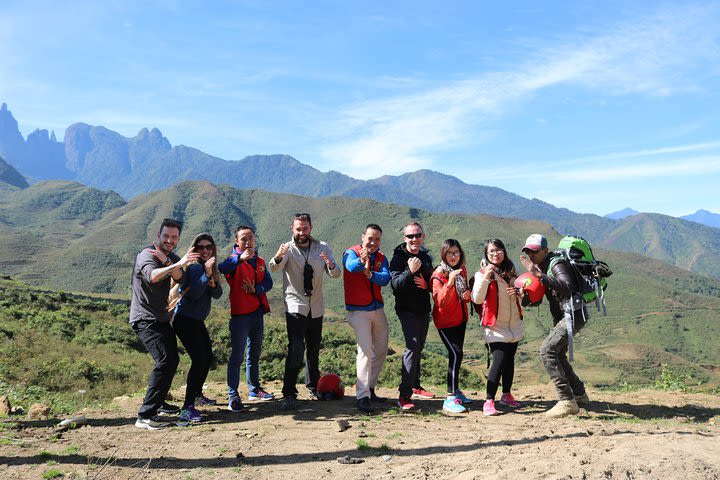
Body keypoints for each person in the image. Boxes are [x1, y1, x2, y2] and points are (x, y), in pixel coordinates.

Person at [129, 218, 200, 429]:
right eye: (166, 236)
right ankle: (145, 416)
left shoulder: (170, 257)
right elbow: (152, 276)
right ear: (158, 236)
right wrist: (177, 264)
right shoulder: (146, 255)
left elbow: (181, 279)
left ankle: (158, 403)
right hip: (145, 318)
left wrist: (172, 263)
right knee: (166, 360)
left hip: (160, 318)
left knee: (172, 360)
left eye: (174, 237)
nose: (170, 240)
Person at [269, 213, 340, 410]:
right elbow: (274, 267)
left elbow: (335, 274)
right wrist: (278, 256)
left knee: (314, 348)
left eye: (305, 229)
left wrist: (331, 264)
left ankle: (314, 387)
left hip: (316, 305)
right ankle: (289, 392)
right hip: (295, 304)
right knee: (296, 349)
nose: (302, 232)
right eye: (298, 229)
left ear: (311, 228)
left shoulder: (322, 248)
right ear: (292, 228)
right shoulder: (287, 248)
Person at [520, 233, 589, 418]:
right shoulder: (541, 267)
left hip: (572, 315)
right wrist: (524, 295)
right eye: (528, 251)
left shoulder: (556, 264)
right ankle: (579, 394)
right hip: (563, 316)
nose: (531, 255)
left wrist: (540, 276)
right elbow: (538, 298)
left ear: (545, 250)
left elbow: (568, 287)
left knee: (547, 350)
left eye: (534, 251)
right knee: (557, 353)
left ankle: (567, 400)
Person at [218, 225, 275, 412]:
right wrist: (238, 259)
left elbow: (268, 282)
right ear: (237, 242)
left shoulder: (259, 260)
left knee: (254, 355)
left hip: (257, 313)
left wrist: (256, 289)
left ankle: (254, 389)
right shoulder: (233, 261)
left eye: (250, 237)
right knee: (237, 356)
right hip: (240, 315)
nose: (248, 241)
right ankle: (233, 395)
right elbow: (221, 267)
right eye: (243, 238)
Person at [172, 233, 223, 423]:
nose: (205, 250)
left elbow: (217, 294)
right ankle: (187, 407)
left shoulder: (207, 267)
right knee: (199, 360)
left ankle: (197, 395)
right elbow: (193, 294)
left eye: (208, 247)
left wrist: (212, 280)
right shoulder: (194, 268)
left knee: (207, 357)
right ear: (194, 250)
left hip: (196, 320)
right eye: (200, 247)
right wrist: (207, 276)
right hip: (185, 319)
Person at [471, 238, 524, 416]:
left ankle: (506, 394)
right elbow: (477, 298)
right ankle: (488, 401)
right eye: (491, 251)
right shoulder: (481, 274)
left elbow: (522, 295)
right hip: (495, 326)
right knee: (499, 361)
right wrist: (486, 276)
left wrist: (519, 293)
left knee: (509, 362)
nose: (495, 253)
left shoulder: (512, 269)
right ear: (486, 254)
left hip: (514, 324)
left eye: (498, 249)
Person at [342, 223, 391, 413]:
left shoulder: (381, 257)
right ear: (363, 237)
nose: (373, 242)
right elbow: (351, 267)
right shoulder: (351, 253)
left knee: (380, 350)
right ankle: (362, 396)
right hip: (358, 312)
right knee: (365, 351)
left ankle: (369, 387)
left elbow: (385, 278)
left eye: (377, 239)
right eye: (370, 238)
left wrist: (370, 274)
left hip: (377, 309)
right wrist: (362, 262)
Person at [389, 221, 434, 410]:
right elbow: (396, 285)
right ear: (404, 238)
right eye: (410, 236)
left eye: (417, 235)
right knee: (412, 346)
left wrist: (428, 286)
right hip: (406, 309)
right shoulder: (399, 257)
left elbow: (433, 281)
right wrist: (410, 271)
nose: (414, 239)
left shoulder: (425, 256)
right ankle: (404, 395)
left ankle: (415, 386)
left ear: (423, 236)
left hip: (423, 309)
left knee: (419, 347)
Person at [430, 239, 472, 414]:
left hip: (460, 319)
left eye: (456, 253)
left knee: (457, 357)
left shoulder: (461, 270)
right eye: (450, 253)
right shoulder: (438, 275)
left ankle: (455, 391)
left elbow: (464, 294)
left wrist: (468, 294)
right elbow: (440, 301)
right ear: (444, 254)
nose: (454, 256)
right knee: (456, 354)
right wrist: (449, 283)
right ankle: (449, 397)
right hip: (445, 322)